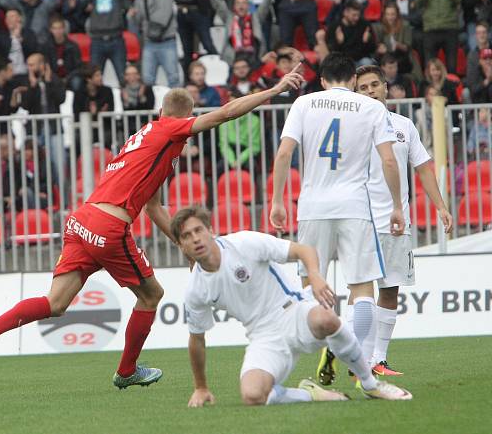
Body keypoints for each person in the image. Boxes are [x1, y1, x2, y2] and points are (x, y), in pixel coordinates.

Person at [0, 64, 305, 388]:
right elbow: (225, 113)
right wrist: (273, 90)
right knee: (152, 294)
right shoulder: (171, 128)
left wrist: (180, 242)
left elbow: (153, 205)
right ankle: (126, 371)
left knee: (56, 303)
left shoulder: (143, 140)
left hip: (81, 221)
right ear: (182, 117)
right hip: (109, 226)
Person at [174, 207, 412, 407]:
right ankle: (310, 393)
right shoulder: (196, 289)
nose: (195, 238)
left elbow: (303, 250)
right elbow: (197, 339)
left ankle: (370, 384)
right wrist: (201, 387)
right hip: (262, 336)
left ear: (210, 231)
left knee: (326, 319)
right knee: (252, 395)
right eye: (186, 236)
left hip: (293, 310)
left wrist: (315, 276)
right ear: (181, 246)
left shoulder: (243, 243)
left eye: (199, 230)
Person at [270, 52, 404, 387]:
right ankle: (356, 358)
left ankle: (329, 342)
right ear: (352, 81)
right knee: (361, 288)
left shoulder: (305, 103)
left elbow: (284, 152)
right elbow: (388, 160)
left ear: (323, 80)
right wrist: (398, 205)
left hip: (313, 205)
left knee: (310, 283)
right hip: (355, 206)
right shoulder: (371, 107)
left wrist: (276, 200)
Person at [354, 65, 453, 375]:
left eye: (374, 85)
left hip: (397, 222)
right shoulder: (352, 126)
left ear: (386, 87)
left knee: (391, 289)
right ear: (356, 93)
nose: (370, 91)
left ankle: (376, 360)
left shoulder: (404, 125)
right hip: (360, 220)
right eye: (363, 87)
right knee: (362, 291)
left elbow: (423, 167)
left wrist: (441, 206)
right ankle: (357, 357)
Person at [130, 0, 181, 88]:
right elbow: (138, 23)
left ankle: (179, 110)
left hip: (168, 42)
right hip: (149, 44)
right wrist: (132, 16)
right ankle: (152, 109)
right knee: (147, 80)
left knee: (174, 78)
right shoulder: (140, 0)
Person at [420, 0, 463, 74]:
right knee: (430, 68)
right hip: (430, 28)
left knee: (451, 67)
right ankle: (430, 92)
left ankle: (451, 92)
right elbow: (419, 5)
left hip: (449, 28)